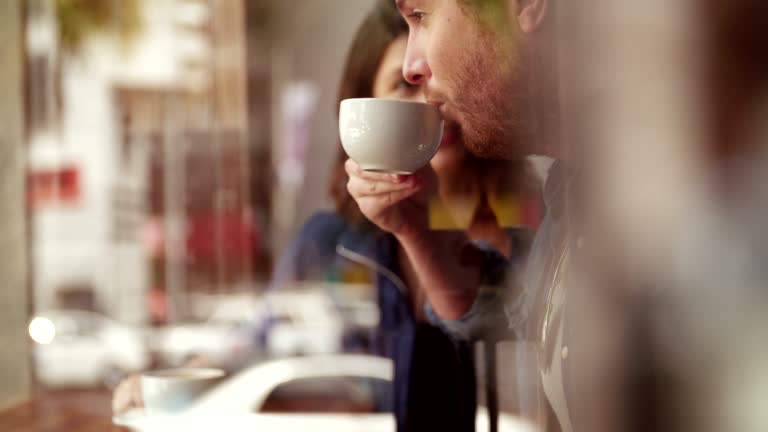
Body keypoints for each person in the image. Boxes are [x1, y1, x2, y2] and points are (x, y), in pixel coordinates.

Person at [272, 2, 539, 431]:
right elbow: (266, 345)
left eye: (436, 77)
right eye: (402, 84)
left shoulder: (538, 224)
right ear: (360, 108)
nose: (430, 99)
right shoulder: (332, 245)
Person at [344, 0, 572, 430]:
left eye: (421, 15)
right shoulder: (573, 189)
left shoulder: (648, 190)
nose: (415, 67)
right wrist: (422, 230)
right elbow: (521, 310)